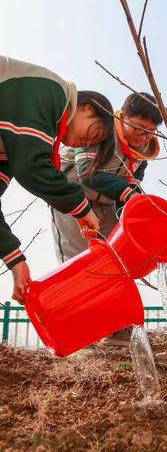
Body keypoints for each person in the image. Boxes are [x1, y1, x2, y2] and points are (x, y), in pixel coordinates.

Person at [0, 55, 114, 304]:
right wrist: (82, 208)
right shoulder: (54, 92)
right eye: (93, 134)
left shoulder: (11, 148)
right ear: (88, 108)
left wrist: (15, 261)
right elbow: (32, 168)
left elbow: (29, 165)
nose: (86, 144)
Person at [51, 92, 162, 347]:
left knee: (115, 259)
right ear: (123, 117)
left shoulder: (143, 150)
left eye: (149, 131)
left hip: (107, 202)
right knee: (76, 261)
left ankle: (114, 327)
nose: (142, 135)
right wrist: (129, 194)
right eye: (138, 127)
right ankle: (77, 334)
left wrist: (136, 214)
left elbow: (133, 185)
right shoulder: (102, 129)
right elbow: (88, 174)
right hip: (72, 195)